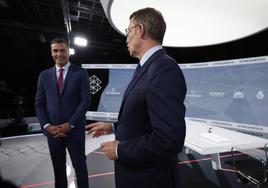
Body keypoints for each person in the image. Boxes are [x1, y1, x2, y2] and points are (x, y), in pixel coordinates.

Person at [87, 7, 187, 188]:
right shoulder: (147, 67)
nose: (126, 38)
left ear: (141, 30)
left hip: (149, 179)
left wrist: (119, 149)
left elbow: (169, 140)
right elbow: (143, 119)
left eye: (128, 31)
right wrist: (114, 127)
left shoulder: (164, 69)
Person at [35, 38, 91, 188]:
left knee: (80, 168)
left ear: (68, 52)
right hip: (53, 133)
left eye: (62, 50)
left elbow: (85, 102)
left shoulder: (80, 73)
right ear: (51, 52)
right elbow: (39, 105)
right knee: (58, 171)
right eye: (55, 50)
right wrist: (47, 126)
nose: (59, 54)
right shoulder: (44, 76)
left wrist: (70, 124)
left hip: (74, 131)